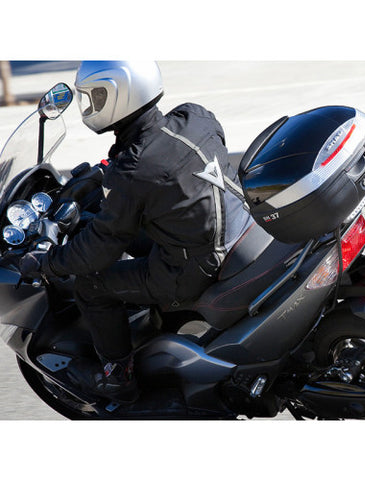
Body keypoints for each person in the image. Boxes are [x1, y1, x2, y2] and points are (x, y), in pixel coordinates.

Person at [19, 61, 252, 404]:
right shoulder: (196, 117)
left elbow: (98, 250)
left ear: (119, 96)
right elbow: (163, 177)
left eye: (95, 96)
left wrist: (46, 262)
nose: (90, 105)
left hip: (195, 266)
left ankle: (116, 377)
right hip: (237, 228)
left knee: (91, 285)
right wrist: (108, 175)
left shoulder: (134, 169)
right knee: (129, 229)